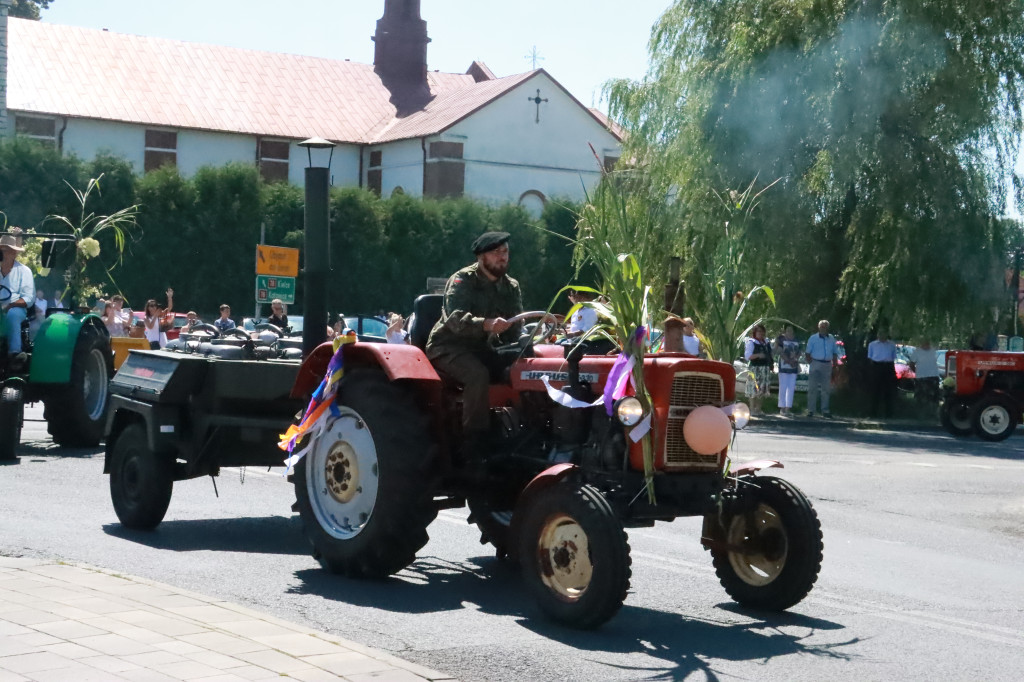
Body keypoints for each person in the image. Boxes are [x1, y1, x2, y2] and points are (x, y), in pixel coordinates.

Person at [426, 231, 523, 458]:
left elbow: (515, 324)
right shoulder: (462, 280)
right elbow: (455, 319)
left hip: (482, 348)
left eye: (506, 251)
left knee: (522, 366)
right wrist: (487, 324)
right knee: (477, 375)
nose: (503, 257)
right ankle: (474, 443)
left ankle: (525, 431)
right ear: (481, 257)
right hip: (448, 346)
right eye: (496, 252)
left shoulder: (511, 286)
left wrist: (521, 342)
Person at [0, 231, 34, 357]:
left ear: (13, 253)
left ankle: (14, 353)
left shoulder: (24, 271)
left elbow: (29, 298)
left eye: (5, 250)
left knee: (12, 315)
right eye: (1, 250)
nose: (2, 253)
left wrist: (10, 305)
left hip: (16, 308)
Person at [804, 319, 841, 418]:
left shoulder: (831, 338)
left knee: (826, 389)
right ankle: (811, 410)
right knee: (812, 388)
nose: (823, 328)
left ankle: (825, 410)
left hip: (827, 364)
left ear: (827, 328)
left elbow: (834, 353)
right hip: (815, 362)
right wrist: (811, 362)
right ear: (818, 327)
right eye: (822, 326)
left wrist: (835, 365)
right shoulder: (813, 338)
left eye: (825, 326)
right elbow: (807, 353)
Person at [744, 323, 773, 415]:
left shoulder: (766, 342)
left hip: (764, 368)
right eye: (758, 331)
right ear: (755, 332)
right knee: (753, 388)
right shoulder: (751, 342)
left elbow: (770, 354)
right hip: (755, 368)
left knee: (762, 389)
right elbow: (747, 356)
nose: (760, 333)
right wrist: (758, 355)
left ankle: (758, 409)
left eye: (762, 331)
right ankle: (752, 409)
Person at [867, 330, 897, 417]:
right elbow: (870, 357)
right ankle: (873, 413)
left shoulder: (892, 344)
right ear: (877, 335)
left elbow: (893, 357)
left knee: (888, 391)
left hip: (888, 366)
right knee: (875, 391)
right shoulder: (872, 344)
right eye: (880, 334)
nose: (882, 335)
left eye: (884, 333)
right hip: (877, 366)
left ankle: (889, 414)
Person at [773, 324, 801, 416]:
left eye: (791, 329)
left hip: (793, 367)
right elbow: (779, 351)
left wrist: (795, 359)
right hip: (784, 366)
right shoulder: (781, 339)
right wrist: (788, 360)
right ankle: (782, 408)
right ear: (785, 330)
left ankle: (788, 408)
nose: (789, 331)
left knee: (791, 387)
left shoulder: (797, 339)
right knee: (783, 387)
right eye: (788, 329)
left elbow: (799, 351)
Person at [909, 338, 940, 404]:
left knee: (934, 398)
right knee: (921, 397)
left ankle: (933, 411)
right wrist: (917, 372)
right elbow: (911, 364)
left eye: (927, 343)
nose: (926, 344)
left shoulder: (933, 351)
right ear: (921, 343)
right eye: (924, 343)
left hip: (933, 376)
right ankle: (921, 411)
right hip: (921, 378)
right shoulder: (917, 352)